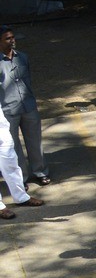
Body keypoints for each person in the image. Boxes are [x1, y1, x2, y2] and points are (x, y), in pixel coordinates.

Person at [0, 27, 46, 187]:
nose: (12, 40)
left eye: (13, 37)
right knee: (13, 147)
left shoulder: (23, 57)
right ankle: (22, 178)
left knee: (35, 141)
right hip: (8, 110)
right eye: (7, 38)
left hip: (28, 106)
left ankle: (40, 172)